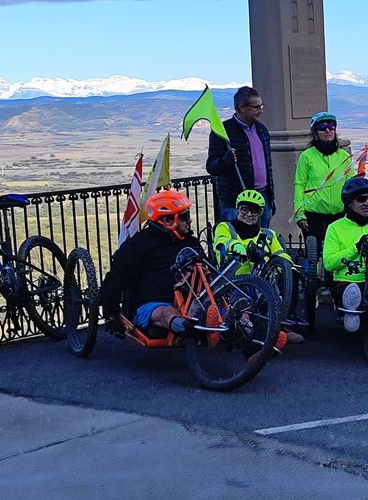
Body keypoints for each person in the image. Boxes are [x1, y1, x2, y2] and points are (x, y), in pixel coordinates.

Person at [99, 189, 202, 334]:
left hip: (188, 301)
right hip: (151, 303)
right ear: (167, 220)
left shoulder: (190, 242)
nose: (189, 221)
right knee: (168, 313)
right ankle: (185, 329)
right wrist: (111, 313)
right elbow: (115, 279)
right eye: (184, 217)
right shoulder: (137, 245)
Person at [212, 189, 304, 344]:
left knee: (291, 275)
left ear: (260, 213)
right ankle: (243, 325)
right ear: (238, 209)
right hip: (236, 278)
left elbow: (280, 253)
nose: (249, 214)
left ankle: (283, 325)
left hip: (263, 277)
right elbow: (221, 241)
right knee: (242, 301)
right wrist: (234, 246)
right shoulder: (225, 227)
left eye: (254, 211)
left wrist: (286, 266)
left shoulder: (268, 234)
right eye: (245, 209)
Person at [323, 177, 368, 332]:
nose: (367, 203)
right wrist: (356, 248)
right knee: (352, 292)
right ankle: (351, 310)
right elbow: (329, 263)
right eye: (361, 199)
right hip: (347, 281)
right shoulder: (335, 228)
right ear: (349, 202)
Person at [206, 86, 275, 227]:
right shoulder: (223, 132)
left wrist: (270, 197)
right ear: (242, 107)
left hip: (262, 196)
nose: (261, 111)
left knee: (262, 241)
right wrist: (226, 161)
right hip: (235, 201)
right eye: (256, 107)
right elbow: (211, 166)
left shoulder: (261, 130)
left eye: (261, 106)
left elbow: (268, 165)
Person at [295, 111, 353, 245]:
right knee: (314, 256)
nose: (328, 130)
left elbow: (350, 184)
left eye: (331, 127)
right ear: (315, 133)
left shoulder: (344, 156)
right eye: (322, 127)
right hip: (313, 215)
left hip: (339, 215)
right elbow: (299, 184)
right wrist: (299, 214)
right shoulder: (307, 156)